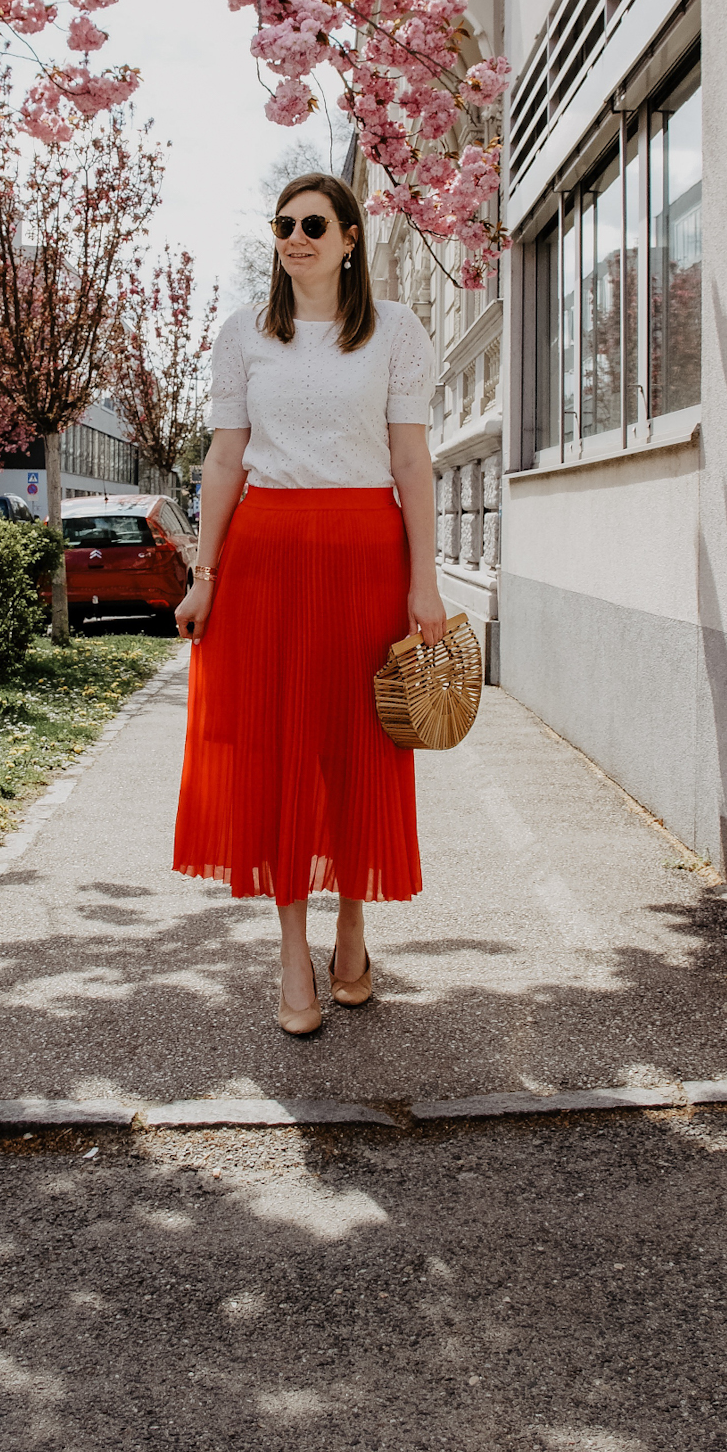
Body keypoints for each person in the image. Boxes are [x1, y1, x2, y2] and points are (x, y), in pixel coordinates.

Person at [173, 172, 446, 1036]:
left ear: (350, 237)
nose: (295, 236)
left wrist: (425, 578)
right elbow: (223, 463)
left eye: (312, 224)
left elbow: (411, 464)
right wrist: (203, 575)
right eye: (283, 224)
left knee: (356, 747)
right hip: (267, 559)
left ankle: (352, 927)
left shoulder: (394, 332)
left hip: (367, 551)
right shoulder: (244, 335)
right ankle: (293, 952)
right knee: (278, 750)